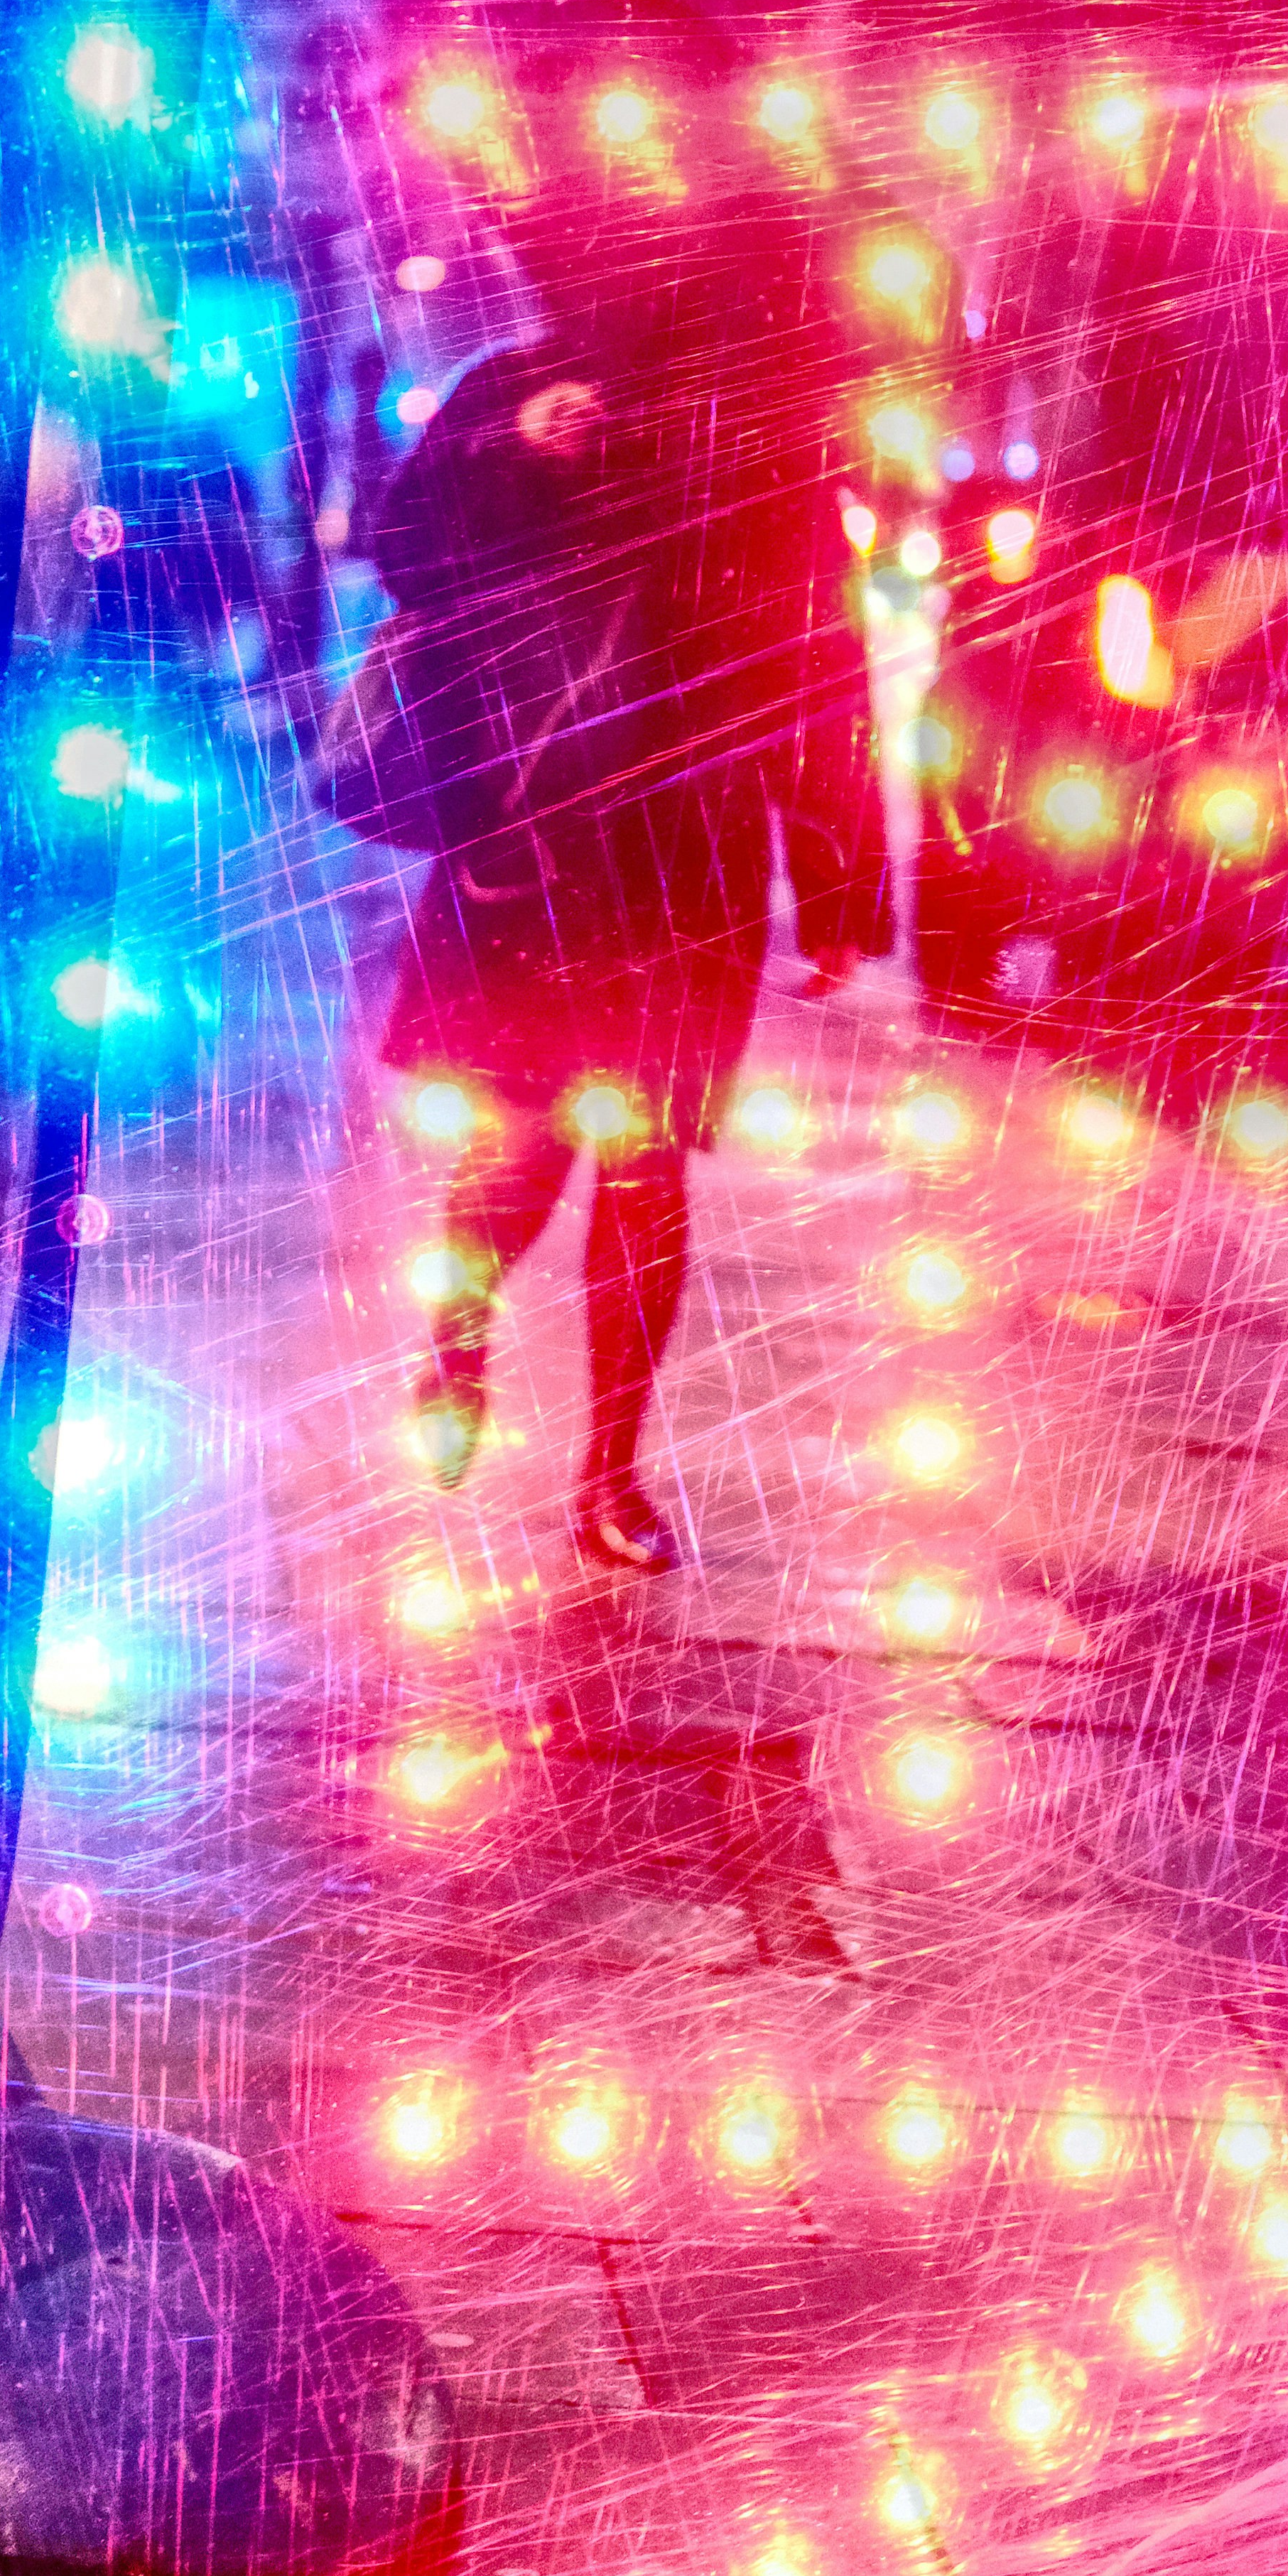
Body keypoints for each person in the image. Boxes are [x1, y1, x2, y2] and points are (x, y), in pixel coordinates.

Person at [364, 194, 889, 1570]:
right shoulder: (529, 386)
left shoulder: (768, 431)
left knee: (647, 1160)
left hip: (688, 856)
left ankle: (611, 1469)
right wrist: (509, 452)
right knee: (526, 1138)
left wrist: (839, 881)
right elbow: (404, 548)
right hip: (531, 838)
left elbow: (821, 668)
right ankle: (460, 1345)